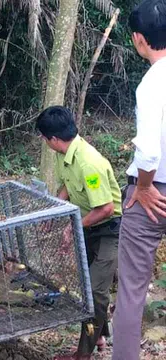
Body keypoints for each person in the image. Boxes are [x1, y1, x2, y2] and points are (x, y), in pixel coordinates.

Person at [36, 106, 122, 360]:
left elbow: (105, 208)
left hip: (109, 230)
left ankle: (82, 355)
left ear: (53, 139)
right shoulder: (66, 156)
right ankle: (101, 337)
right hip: (89, 225)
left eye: (43, 137)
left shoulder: (88, 163)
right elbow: (68, 187)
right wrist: (56, 212)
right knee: (88, 286)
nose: (44, 142)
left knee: (95, 294)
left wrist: (73, 227)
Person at [112, 1, 166, 359]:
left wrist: (144, 186)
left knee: (131, 290)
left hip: (152, 194)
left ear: (138, 39)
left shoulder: (150, 85)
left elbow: (149, 152)